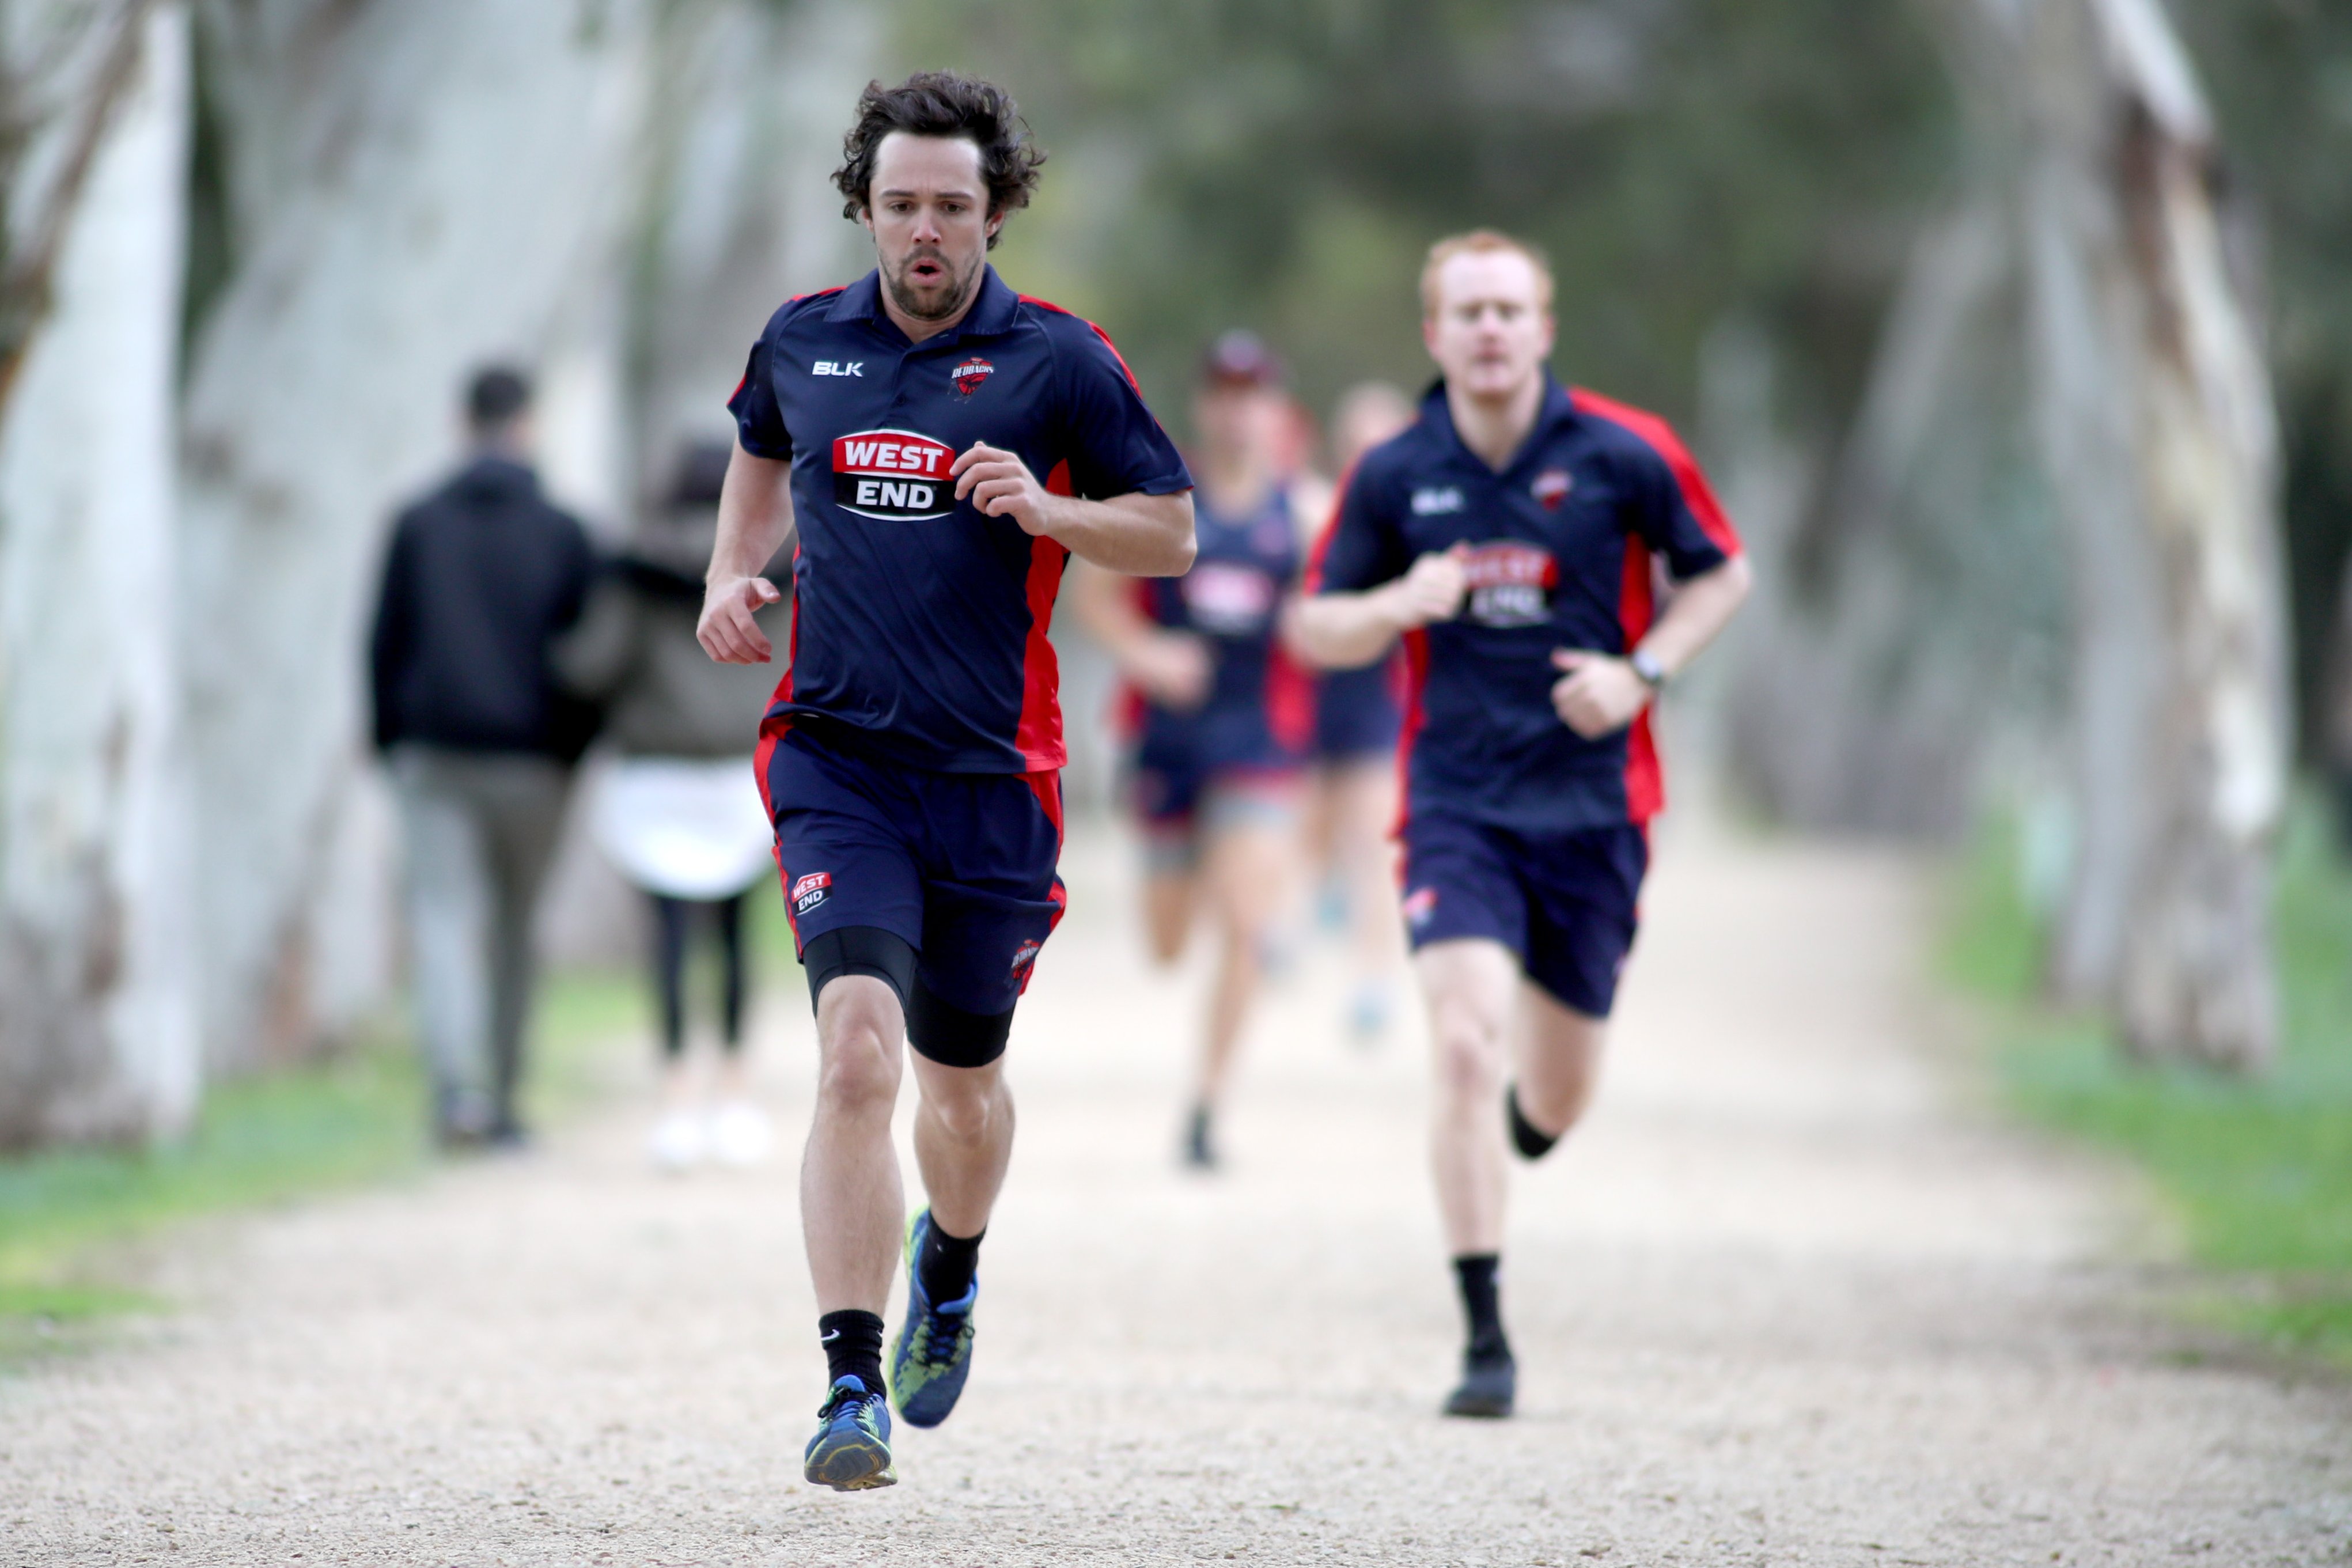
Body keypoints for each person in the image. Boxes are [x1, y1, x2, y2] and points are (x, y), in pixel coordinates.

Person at [695, 72, 1194, 1491]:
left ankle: (952, 1263)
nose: (926, 230)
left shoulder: (1059, 362)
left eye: (954, 207)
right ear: (865, 202)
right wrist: (732, 576)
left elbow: (1169, 530)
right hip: (836, 759)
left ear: (996, 210)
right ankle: (847, 1380)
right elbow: (759, 449)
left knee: (959, 1092)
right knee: (853, 1046)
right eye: (902, 203)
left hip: (995, 777)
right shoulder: (803, 340)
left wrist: (1048, 509)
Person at [1292, 230, 1752, 1419]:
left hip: (1595, 809)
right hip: (1455, 802)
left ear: (1543, 327)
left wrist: (1640, 671)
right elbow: (1313, 626)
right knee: (1459, 1041)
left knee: (1553, 1100)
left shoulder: (1623, 450)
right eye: (1466, 312)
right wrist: (1397, 600)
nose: (1488, 331)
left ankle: (1523, 1127)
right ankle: (1483, 1336)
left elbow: (1721, 574)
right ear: (1432, 333)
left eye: (1508, 310)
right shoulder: (1396, 472)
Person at [1073, 332, 1315, 1171]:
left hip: (1255, 741)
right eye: (1222, 392)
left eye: (1252, 393)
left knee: (1248, 924)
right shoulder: (1161, 498)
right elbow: (1094, 600)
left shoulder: (1303, 514)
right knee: (1168, 943)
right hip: (1168, 742)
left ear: (1274, 408)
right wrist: (1150, 657)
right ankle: (1205, 885)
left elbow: (1332, 611)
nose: (1237, 408)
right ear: (1202, 406)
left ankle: (1207, 1108)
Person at [368, 366, 596, 1149]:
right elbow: (589, 655)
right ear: (527, 424)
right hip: (536, 763)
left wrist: (386, 737)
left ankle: (454, 1093)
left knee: (440, 918)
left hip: (433, 754)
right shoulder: (564, 530)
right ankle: (501, 1095)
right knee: (515, 929)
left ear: (462, 422)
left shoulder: (418, 521)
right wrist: (575, 747)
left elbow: (382, 639)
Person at [555, 439, 786, 1172]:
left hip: (654, 777)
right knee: (737, 936)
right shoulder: (776, 569)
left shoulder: (629, 572)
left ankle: (676, 1100)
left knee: (667, 940)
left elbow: (591, 665)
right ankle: (738, 1095)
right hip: (745, 775)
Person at [1298, 381, 1419, 1042]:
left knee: (1373, 846)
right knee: (1310, 832)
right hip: (1307, 699)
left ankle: (1372, 980)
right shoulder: (1312, 510)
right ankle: (1308, 904)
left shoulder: (1417, 519)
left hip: (1376, 700)